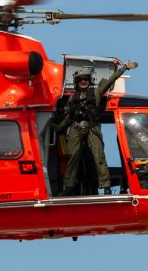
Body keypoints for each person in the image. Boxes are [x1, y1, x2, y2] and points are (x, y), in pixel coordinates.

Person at [57, 58, 138, 195]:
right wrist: (57, 129)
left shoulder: (96, 93)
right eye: (81, 79)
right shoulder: (72, 98)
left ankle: (105, 186)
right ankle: (68, 187)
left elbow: (111, 80)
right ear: (77, 81)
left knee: (99, 156)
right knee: (72, 158)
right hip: (76, 128)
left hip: (92, 127)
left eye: (86, 79)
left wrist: (124, 68)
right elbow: (68, 117)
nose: (84, 82)